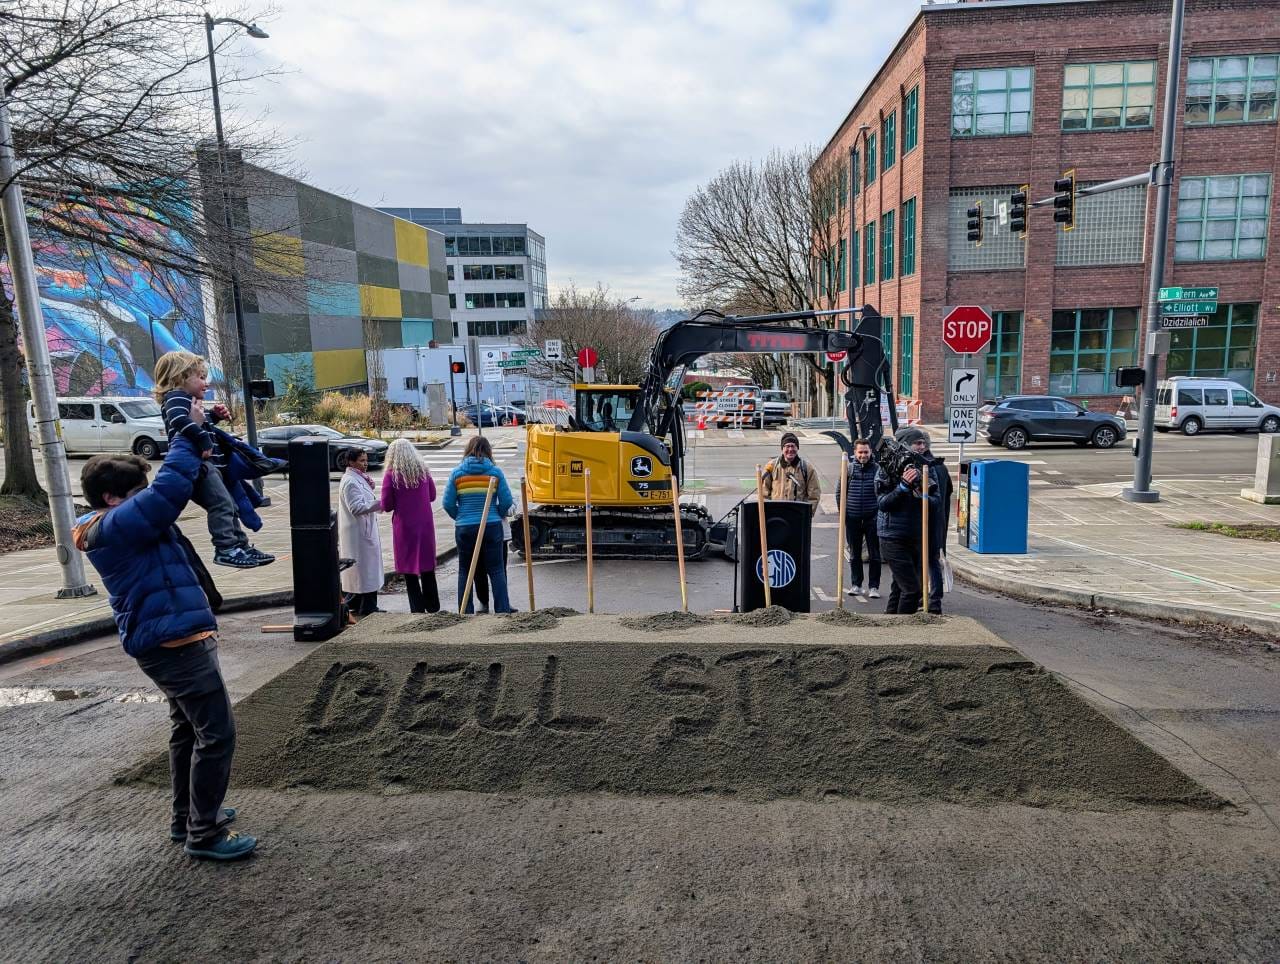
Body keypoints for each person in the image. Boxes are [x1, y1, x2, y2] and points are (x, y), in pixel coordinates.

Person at [73, 430, 257, 862]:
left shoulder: (120, 522)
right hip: (172, 643)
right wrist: (185, 435)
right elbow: (169, 489)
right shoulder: (116, 527)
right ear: (113, 498)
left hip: (172, 636)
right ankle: (204, 831)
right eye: (137, 493)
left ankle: (187, 816)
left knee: (188, 729)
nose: (146, 498)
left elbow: (169, 490)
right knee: (217, 733)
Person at [153, 350, 271, 570]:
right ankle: (226, 548)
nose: (205, 383)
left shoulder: (189, 400)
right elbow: (180, 421)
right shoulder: (177, 398)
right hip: (199, 466)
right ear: (179, 377)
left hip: (209, 467)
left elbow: (198, 421)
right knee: (222, 504)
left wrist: (214, 417)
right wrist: (203, 441)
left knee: (229, 504)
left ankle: (240, 546)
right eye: (200, 377)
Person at [444, 436, 515, 614]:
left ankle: (465, 610)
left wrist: (460, 516)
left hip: (465, 527)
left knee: (465, 570)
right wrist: (496, 513)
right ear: (488, 451)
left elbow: (447, 503)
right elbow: (506, 501)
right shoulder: (495, 472)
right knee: (496, 569)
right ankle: (502, 609)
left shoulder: (457, 473)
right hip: (491, 526)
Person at [876, 427, 941, 616]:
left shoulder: (927, 467)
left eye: (923, 443)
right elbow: (883, 504)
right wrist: (903, 487)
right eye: (917, 443)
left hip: (916, 535)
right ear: (905, 444)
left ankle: (889, 627)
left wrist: (922, 495)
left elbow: (936, 501)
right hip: (892, 537)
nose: (922, 447)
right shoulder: (887, 466)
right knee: (912, 590)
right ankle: (904, 631)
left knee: (899, 587)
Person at [380, 438, 439, 614]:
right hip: (425, 523)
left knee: (409, 569)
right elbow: (433, 495)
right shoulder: (423, 471)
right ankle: (433, 605)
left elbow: (387, 504)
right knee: (427, 565)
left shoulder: (391, 475)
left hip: (404, 526)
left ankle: (417, 607)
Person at [338, 446, 384, 618]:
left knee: (363, 573)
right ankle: (368, 607)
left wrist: (377, 505)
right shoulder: (350, 481)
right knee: (366, 572)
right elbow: (356, 507)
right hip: (359, 534)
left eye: (366, 460)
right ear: (351, 462)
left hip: (362, 531)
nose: (365, 464)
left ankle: (359, 604)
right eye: (361, 461)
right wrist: (381, 503)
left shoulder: (358, 478)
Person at [843, 438, 881, 600]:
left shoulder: (878, 469)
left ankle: (873, 587)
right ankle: (856, 584)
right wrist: (843, 513)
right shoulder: (849, 469)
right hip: (852, 519)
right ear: (855, 453)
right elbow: (840, 493)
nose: (863, 455)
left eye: (866, 452)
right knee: (854, 554)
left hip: (872, 519)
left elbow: (882, 492)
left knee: (875, 555)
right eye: (860, 452)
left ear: (871, 452)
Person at [924, 440, 954, 615]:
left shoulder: (928, 467)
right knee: (933, 560)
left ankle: (931, 599)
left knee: (928, 561)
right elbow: (948, 491)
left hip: (929, 522)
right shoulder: (941, 466)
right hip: (938, 522)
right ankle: (933, 598)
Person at [762, 431, 821, 516]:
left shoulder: (807, 468)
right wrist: (768, 513)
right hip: (776, 515)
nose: (790, 449)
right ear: (782, 449)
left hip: (798, 516)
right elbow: (764, 493)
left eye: (793, 446)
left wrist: (807, 514)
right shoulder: (771, 466)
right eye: (787, 446)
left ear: (797, 448)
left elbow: (814, 494)